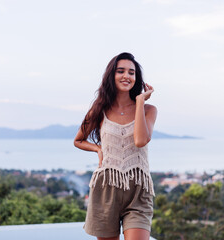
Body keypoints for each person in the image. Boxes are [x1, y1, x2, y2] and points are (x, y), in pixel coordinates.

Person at [74, 52, 157, 240]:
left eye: (131, 72)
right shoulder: (99, 109)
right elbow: (78, 140)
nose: (126, 76)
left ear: (137, 79)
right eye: (121, 71)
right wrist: (98, 149)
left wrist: (139, 102)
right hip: (106, 188)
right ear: (111, 75)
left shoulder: (148, 110)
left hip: (138, 190)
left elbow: (140, 140)